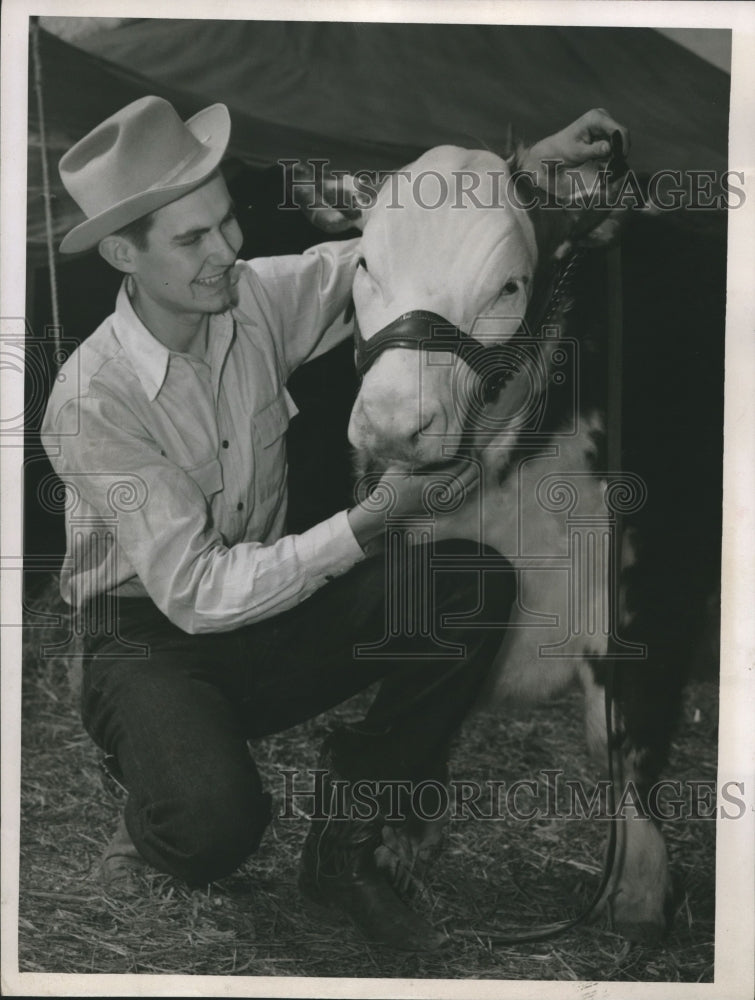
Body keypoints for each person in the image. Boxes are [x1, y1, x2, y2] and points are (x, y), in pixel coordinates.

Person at [41, 96, 628, 951]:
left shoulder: (250, 298)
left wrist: (524, 177)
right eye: (193, 239)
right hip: (149, 635)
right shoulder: (92, 400)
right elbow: (199, 592)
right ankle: (156, 769)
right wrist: (371, 519)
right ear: (124, 253)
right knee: (213, 830)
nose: (230, 251)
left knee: (465, 586)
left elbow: (422, 242)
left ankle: (348, 845)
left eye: (227, 222)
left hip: (268, 610)